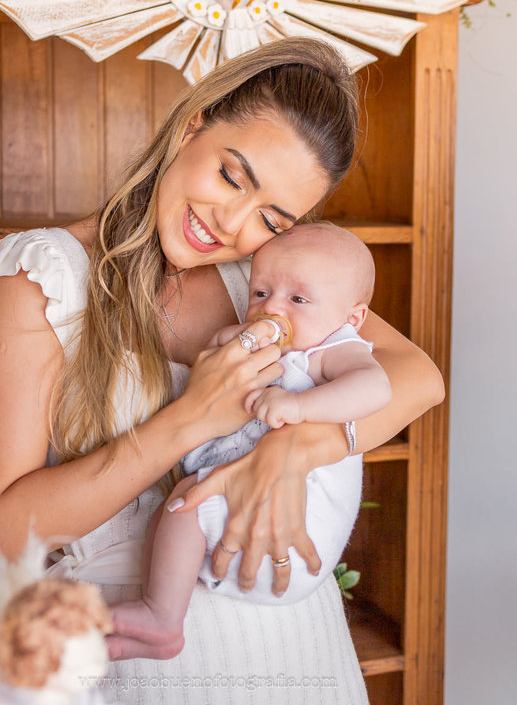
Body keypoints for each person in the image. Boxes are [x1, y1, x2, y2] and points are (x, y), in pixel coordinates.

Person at [0, 37, 445, 704]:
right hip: (135, 668)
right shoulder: (44, 278)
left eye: (273, 217)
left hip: (299, 652)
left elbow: (419, 376)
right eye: (231, 176)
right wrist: (191, 420)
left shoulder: (268, 280)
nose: (231, 224)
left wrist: (293, 448)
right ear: (194, 123)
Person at [108, 222, 392, 661]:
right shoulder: (265, 342)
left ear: (350, 316)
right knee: (185, 502)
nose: (271, 308)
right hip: (248, 518)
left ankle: (161, 615)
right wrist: (226, 346)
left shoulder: (333, 348)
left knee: (188, 501)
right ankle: (165, 611)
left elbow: (376, 389)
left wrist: (300, 409)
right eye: (260, 293)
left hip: (298, 527)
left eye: (297, 299)